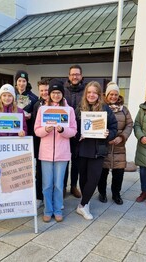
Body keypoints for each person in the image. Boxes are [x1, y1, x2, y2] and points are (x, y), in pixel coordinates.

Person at [34, 79, 77, 223]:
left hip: (62, 153)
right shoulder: (42, 109)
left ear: (62, 94)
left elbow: (73, 131)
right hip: (45, 153)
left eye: (58, 92)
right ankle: (48, 210)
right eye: (53, 92)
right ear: (49, 94)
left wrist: (62, 130)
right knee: (46, 184)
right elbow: (36, 130)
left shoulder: (69, 110)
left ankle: (58, 210)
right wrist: (45, 129)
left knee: (59, 185)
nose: (56, 95)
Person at [75, 81, 117, 220]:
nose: (91, 95)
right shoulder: (79, 108)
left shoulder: (105, 109)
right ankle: (85, 204)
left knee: (93, 178)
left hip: (98, 149)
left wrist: (108, 133)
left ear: (99, 95)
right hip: (82, 149)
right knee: (83, 178)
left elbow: (113, 127)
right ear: (86, 94)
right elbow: (73, 127)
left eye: (94, 92)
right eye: (89, 92)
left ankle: (83, 204)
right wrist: (77, 135)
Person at [97, 82, 133, 205]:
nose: (113, 96)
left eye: (116, 94)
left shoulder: (124, 110)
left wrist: (122, 137)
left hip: (119, 146)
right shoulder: (101, 107)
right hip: (105, 144)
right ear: (107, 95)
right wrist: (107, 137)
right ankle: (102, 193)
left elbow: (129, 124)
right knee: (103, 172)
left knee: (119, 173)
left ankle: (116, 194)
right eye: (111, 94)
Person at [63, 65, 86, 198]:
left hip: (80, 132)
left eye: (77, 74)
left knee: (76, 161)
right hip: (65, 132)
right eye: (72, 74)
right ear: (69, 76)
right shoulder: (63, 90)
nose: (75, 77)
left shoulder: (85, 91)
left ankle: (73, 186)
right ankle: (64, 186)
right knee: (64, 160)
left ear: (81, 76)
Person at [31, 79, 49, 208]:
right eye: (42, 90)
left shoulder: (59, 104)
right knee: (40, 171)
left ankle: (52, 197)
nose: (44, 92)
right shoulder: (37, 104)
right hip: (39, 143)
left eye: (46, 90)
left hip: (54, 144)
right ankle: (39, 197)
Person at [14, 70, 38, 135]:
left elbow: (37, 113)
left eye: (24, 81)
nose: (21, 84)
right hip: (12, 129)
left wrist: (31, 115)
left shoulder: (34, 98)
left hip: (28, 129)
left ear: (27, 82)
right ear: (16, 81)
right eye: (19, 81)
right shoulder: (11, 95)